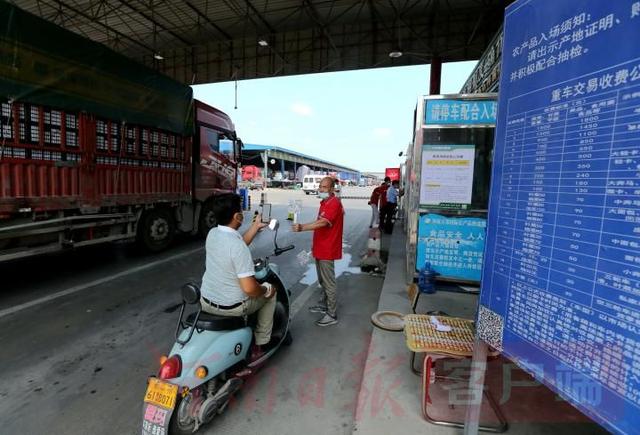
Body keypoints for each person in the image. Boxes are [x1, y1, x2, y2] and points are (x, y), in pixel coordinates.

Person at [200, 193, 276, 362]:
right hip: (232, 307)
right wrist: (265, 289)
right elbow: (250, 289)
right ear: (238, 216)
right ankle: (261, 343)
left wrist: (255, 227)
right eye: (241, 211)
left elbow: (236, 245)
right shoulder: (237, 247)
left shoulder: (213, 234)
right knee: (271, 292)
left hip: (206, 301)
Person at [292, 176, 344, 327]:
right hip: (320, 247)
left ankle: (332, 314)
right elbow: (319, 222)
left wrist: (302, 227)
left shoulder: (334, 203)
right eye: (320, 186)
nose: (320, 189)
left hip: (328, 249)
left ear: (332, 189)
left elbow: (322, 222)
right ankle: (324, 304)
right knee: (322, 280)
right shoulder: (325, 202)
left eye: (324, 187)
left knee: (329, 282)